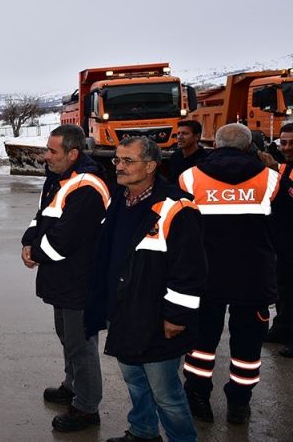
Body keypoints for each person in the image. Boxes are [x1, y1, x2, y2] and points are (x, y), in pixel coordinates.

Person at [86, 136, 205, 442]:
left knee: (166, 393)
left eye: (128, 161)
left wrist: (177, 315)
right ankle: (143, 432)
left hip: (155, 316)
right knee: (135, 381)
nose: (119, 167)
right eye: (117, 160)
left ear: (151, 166)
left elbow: (190, 270)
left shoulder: (176, 207)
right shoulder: (119, 200)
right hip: (123, 310)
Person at [179, 123, 282, 425]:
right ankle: (239, 403)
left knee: (201, 339)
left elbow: (180, 230)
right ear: (249, 146)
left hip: (204, 276)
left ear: (215, 144)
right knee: (248, 343)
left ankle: (197, 397)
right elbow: (281, 231)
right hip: (254, 278)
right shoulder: (271, 180)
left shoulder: (190, 178)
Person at [21, 124, 110, 432]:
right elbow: (42, 216)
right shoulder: (59, 180)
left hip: (79, 280)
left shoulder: (87, 187)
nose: (46, 156)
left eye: (52, 151)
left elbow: (65, 239)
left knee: (81, 346)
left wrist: (36, 251)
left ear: (73, 154)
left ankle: (87, 407)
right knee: (67, 338)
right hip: (63, 279)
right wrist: (28, 240)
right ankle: (72, 386)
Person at [263, 123, 293, 352]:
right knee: (283, 287)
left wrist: (276, 174)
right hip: (282, 241)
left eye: (291, 143)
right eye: (283, 142)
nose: (287, 147)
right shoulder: (282, 167)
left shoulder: (282, 171)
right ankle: (281, 327)